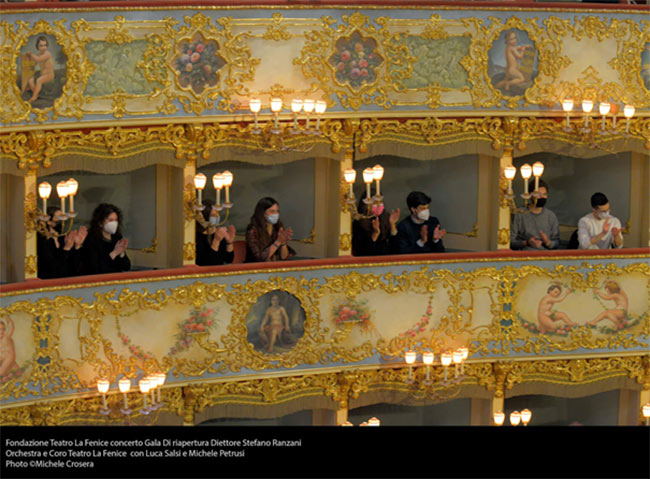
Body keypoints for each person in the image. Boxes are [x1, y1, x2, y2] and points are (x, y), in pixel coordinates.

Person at [37, 206, 87, 279]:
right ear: (48, 221)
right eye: (59, 217)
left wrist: (77, 246)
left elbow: (74, 266)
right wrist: (66, 248)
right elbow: (53, 268)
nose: (62, 220)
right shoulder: (43, 241)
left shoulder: (62, 238)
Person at [510, 180, 560, 251]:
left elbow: (557, 242)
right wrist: (527, 243)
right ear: (530, 195)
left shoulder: (551, 216)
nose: (542, 197)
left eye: (544, 194)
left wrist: (547, 242)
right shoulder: (519, 214)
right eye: (539, 194)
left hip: (545, 257)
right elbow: (510, 242)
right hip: (524, 257)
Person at [83, 203, 131, 275]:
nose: (114, 223)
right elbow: (96, 269)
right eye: (110, 220)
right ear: (100, 223)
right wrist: (114, 253)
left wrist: (121, 253)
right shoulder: (91, 240)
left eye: (116, 220)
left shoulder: (116, 237)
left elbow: (126, 267)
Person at [245, 197, 295, 262]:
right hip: (254, 268)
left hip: (274, 267)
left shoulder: (278, 226)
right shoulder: (252, 230)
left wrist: (283, 242)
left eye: (277, 211)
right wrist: (278, 241)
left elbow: (283, 257)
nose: (276, 214)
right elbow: (260, 258)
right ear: (262, 213)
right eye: (272, 211)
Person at [352, 190, 400, 256]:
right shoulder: (358, 223)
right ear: (366, 204)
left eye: (380, 202)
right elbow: (362, 252)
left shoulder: (386, 217)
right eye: (375, 202)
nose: (378, 205)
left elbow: (396, 248)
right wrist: (375, 233)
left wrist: (392, 225)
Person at [195, 199, 235, 266]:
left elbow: (229, 260)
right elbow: (209, 264)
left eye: (217, 214)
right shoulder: (197, 237)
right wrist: (216, 241)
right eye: (213, 215)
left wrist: (229, 242)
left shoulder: (218, 233)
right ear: (204, 217)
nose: (216, 217)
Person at [22, 36, 55, 104]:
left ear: (47, 46)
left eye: (45, 45)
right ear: (38, 47)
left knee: (38, 81)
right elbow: (35, 62)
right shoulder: (38, 54)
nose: (43, 48)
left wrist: (31, 55)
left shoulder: (47, 54)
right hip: (42, 74)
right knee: (30, 80)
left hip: (49, 75)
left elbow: (39, 59)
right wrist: (29, 60)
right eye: (41, 46)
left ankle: (34, 97)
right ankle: (37, 94)